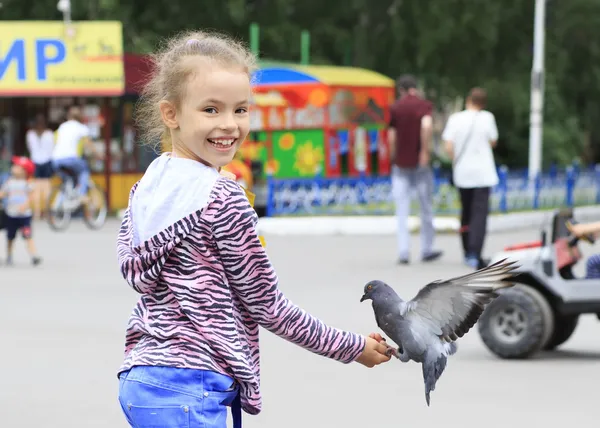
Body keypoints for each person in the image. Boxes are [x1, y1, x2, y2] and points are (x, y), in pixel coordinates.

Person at [116, 30, 391, 428]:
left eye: (241, 110)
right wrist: (351, 347)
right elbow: (268, 306)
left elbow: (133, 270)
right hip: (193, 385)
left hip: (143, 378)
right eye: (211, 110)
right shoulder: (221, 196)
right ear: (170, 113)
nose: (229, 125)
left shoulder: (149, 186)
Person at [388, 74, 443, 265]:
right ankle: (426, 249)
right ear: (415, 87)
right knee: (425, 207)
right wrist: (425, 152)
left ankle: (404, 252)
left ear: (401, 90)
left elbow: (392, 135)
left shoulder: (395, 108)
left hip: (401, 165)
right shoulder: (424, 105)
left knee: (402, 209)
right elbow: (427, 126)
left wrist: (394, 156)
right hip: (421, 165)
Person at [442, 87, 499, 269]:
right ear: (483, 103)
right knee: (479, 214)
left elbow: (449, 146)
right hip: (483, 173)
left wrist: (457, 161)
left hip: (463, 173)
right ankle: (475, 253)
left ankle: (466, 250)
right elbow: (493, 141)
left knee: (466, 212)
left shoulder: (455, 119)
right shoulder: (488, 118)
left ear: (468, 100)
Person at [0, 156, 42, 266]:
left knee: (28, 236)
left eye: (17, 166)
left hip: (24, 216)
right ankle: (9, 255)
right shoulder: (9, 182)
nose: (13, 167)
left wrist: (25, 205)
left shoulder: (27, 183)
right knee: (10, 237)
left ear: (24, 171)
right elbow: (3, 193)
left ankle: (34, 255)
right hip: (11, 215)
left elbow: (32, 196)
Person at [51, 106, 99, 202]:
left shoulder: (62, 126)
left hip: (55, 160)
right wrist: (98, 155)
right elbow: (88, 144)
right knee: (84, 170)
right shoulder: (81, 127)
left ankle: (57, 207)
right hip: (70, 159)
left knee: (67, 182)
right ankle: (82, 194)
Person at [26, 114, 55, 219]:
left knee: (37, 188)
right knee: (47, 188)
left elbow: (30, 148)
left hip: (35, 161)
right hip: (47, 161)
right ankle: (47, 212)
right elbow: (52, 148)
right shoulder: (49, 134)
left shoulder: (30, 134)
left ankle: (37, 213)